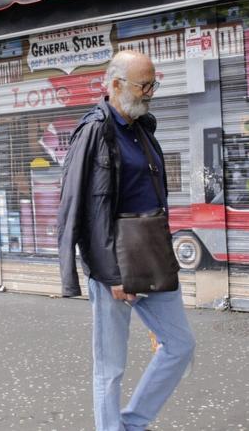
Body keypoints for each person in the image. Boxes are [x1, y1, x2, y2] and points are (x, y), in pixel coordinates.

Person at [57, 50, 196, 431]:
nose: (150, 91)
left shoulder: (142, 128)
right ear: (115, 85)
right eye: (143, 84)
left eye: (153, 83)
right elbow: (83, 209)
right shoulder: (94, 131)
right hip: (114, 264)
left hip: (151, 252)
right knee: (110, 367)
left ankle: (131, 424)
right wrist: (110, 274)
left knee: (180, 346)